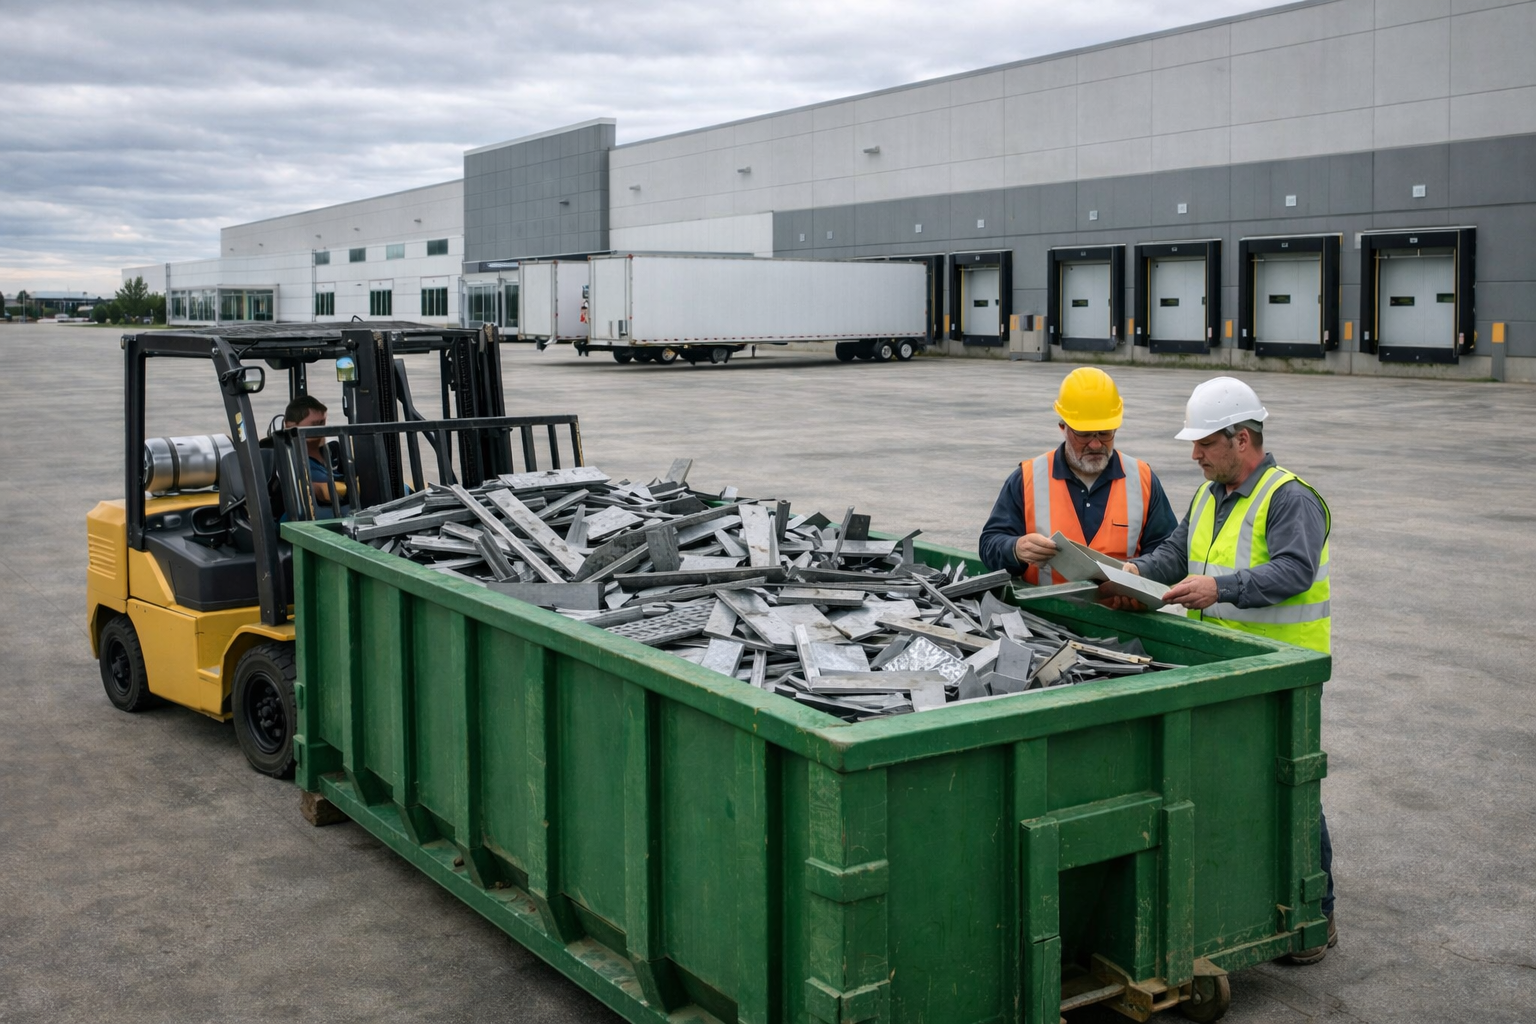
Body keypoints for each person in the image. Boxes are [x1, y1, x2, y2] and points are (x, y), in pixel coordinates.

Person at [1125, 375, 1336, 964]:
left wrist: (1222, 586)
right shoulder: (1211, 495)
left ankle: (1318, 912)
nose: (1193, 455)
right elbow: (1175, 552)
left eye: (1204, 444)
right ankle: (1250, 900)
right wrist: (1129, 573)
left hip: (1281, 672)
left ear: (1242, 439)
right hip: (1222, 665)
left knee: (1292, 786)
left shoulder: (1288, 497)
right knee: (1233, 785)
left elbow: (1294, 571)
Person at [979, 367, 1177, 593]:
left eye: (1104, 433)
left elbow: (1170, 554)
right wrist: (1015, 549)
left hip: (1124, 619)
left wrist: (1140, 573)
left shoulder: (1142, 479)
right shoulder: (1027, 478)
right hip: (1048, 618)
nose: (1095, 444)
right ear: (1063, 428)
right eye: (1084, 434)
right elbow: (989, 545)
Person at [283, 395, 346, 514]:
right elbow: (317, 490)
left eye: (322, 423)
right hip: (305, 518)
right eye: (314, 425)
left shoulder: (334, 452)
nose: (321, 430)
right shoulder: (288, 459)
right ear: (290, 425)